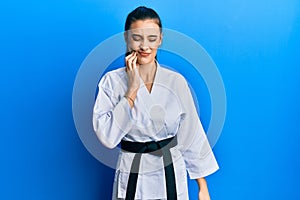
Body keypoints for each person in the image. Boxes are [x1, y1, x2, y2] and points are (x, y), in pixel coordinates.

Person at [93, 6, 219, 200]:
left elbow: (191, 134)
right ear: (126, 38)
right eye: (137, 38)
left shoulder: (176, 82)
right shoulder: (111, 82)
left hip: (169, 172)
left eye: (152, 38)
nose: (145, 46)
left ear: (160, 39)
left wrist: (203, 187)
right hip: (133, 172)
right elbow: (108, 137)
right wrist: (132, 89)